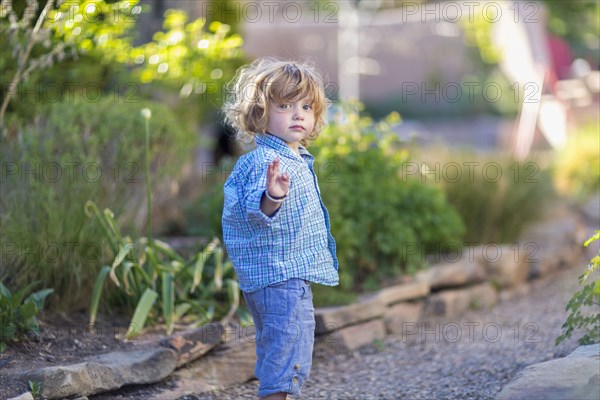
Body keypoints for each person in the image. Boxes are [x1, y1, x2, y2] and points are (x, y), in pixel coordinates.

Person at [221, 57, 339, 399]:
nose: (298, 114)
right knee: (288, 355)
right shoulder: (266, 163)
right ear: (260, 113)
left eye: (306, 106)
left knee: (284, 348)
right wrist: (272, 197)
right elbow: (254, 211)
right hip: (280, 278)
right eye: (285, 106)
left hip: (282, 276)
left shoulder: (292, 158)